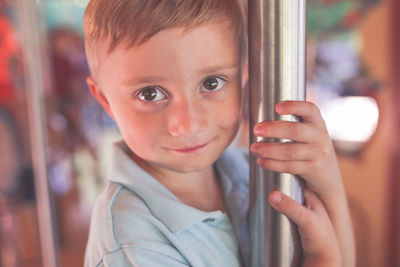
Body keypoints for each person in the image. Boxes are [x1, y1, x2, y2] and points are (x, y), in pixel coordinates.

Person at [83, 0, 355, 266]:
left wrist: (328, 185)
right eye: (149, 93)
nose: (188, 125)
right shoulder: (133, 244)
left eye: (211, 83)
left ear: (244, 75)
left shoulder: (246, 169)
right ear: (104, 100)